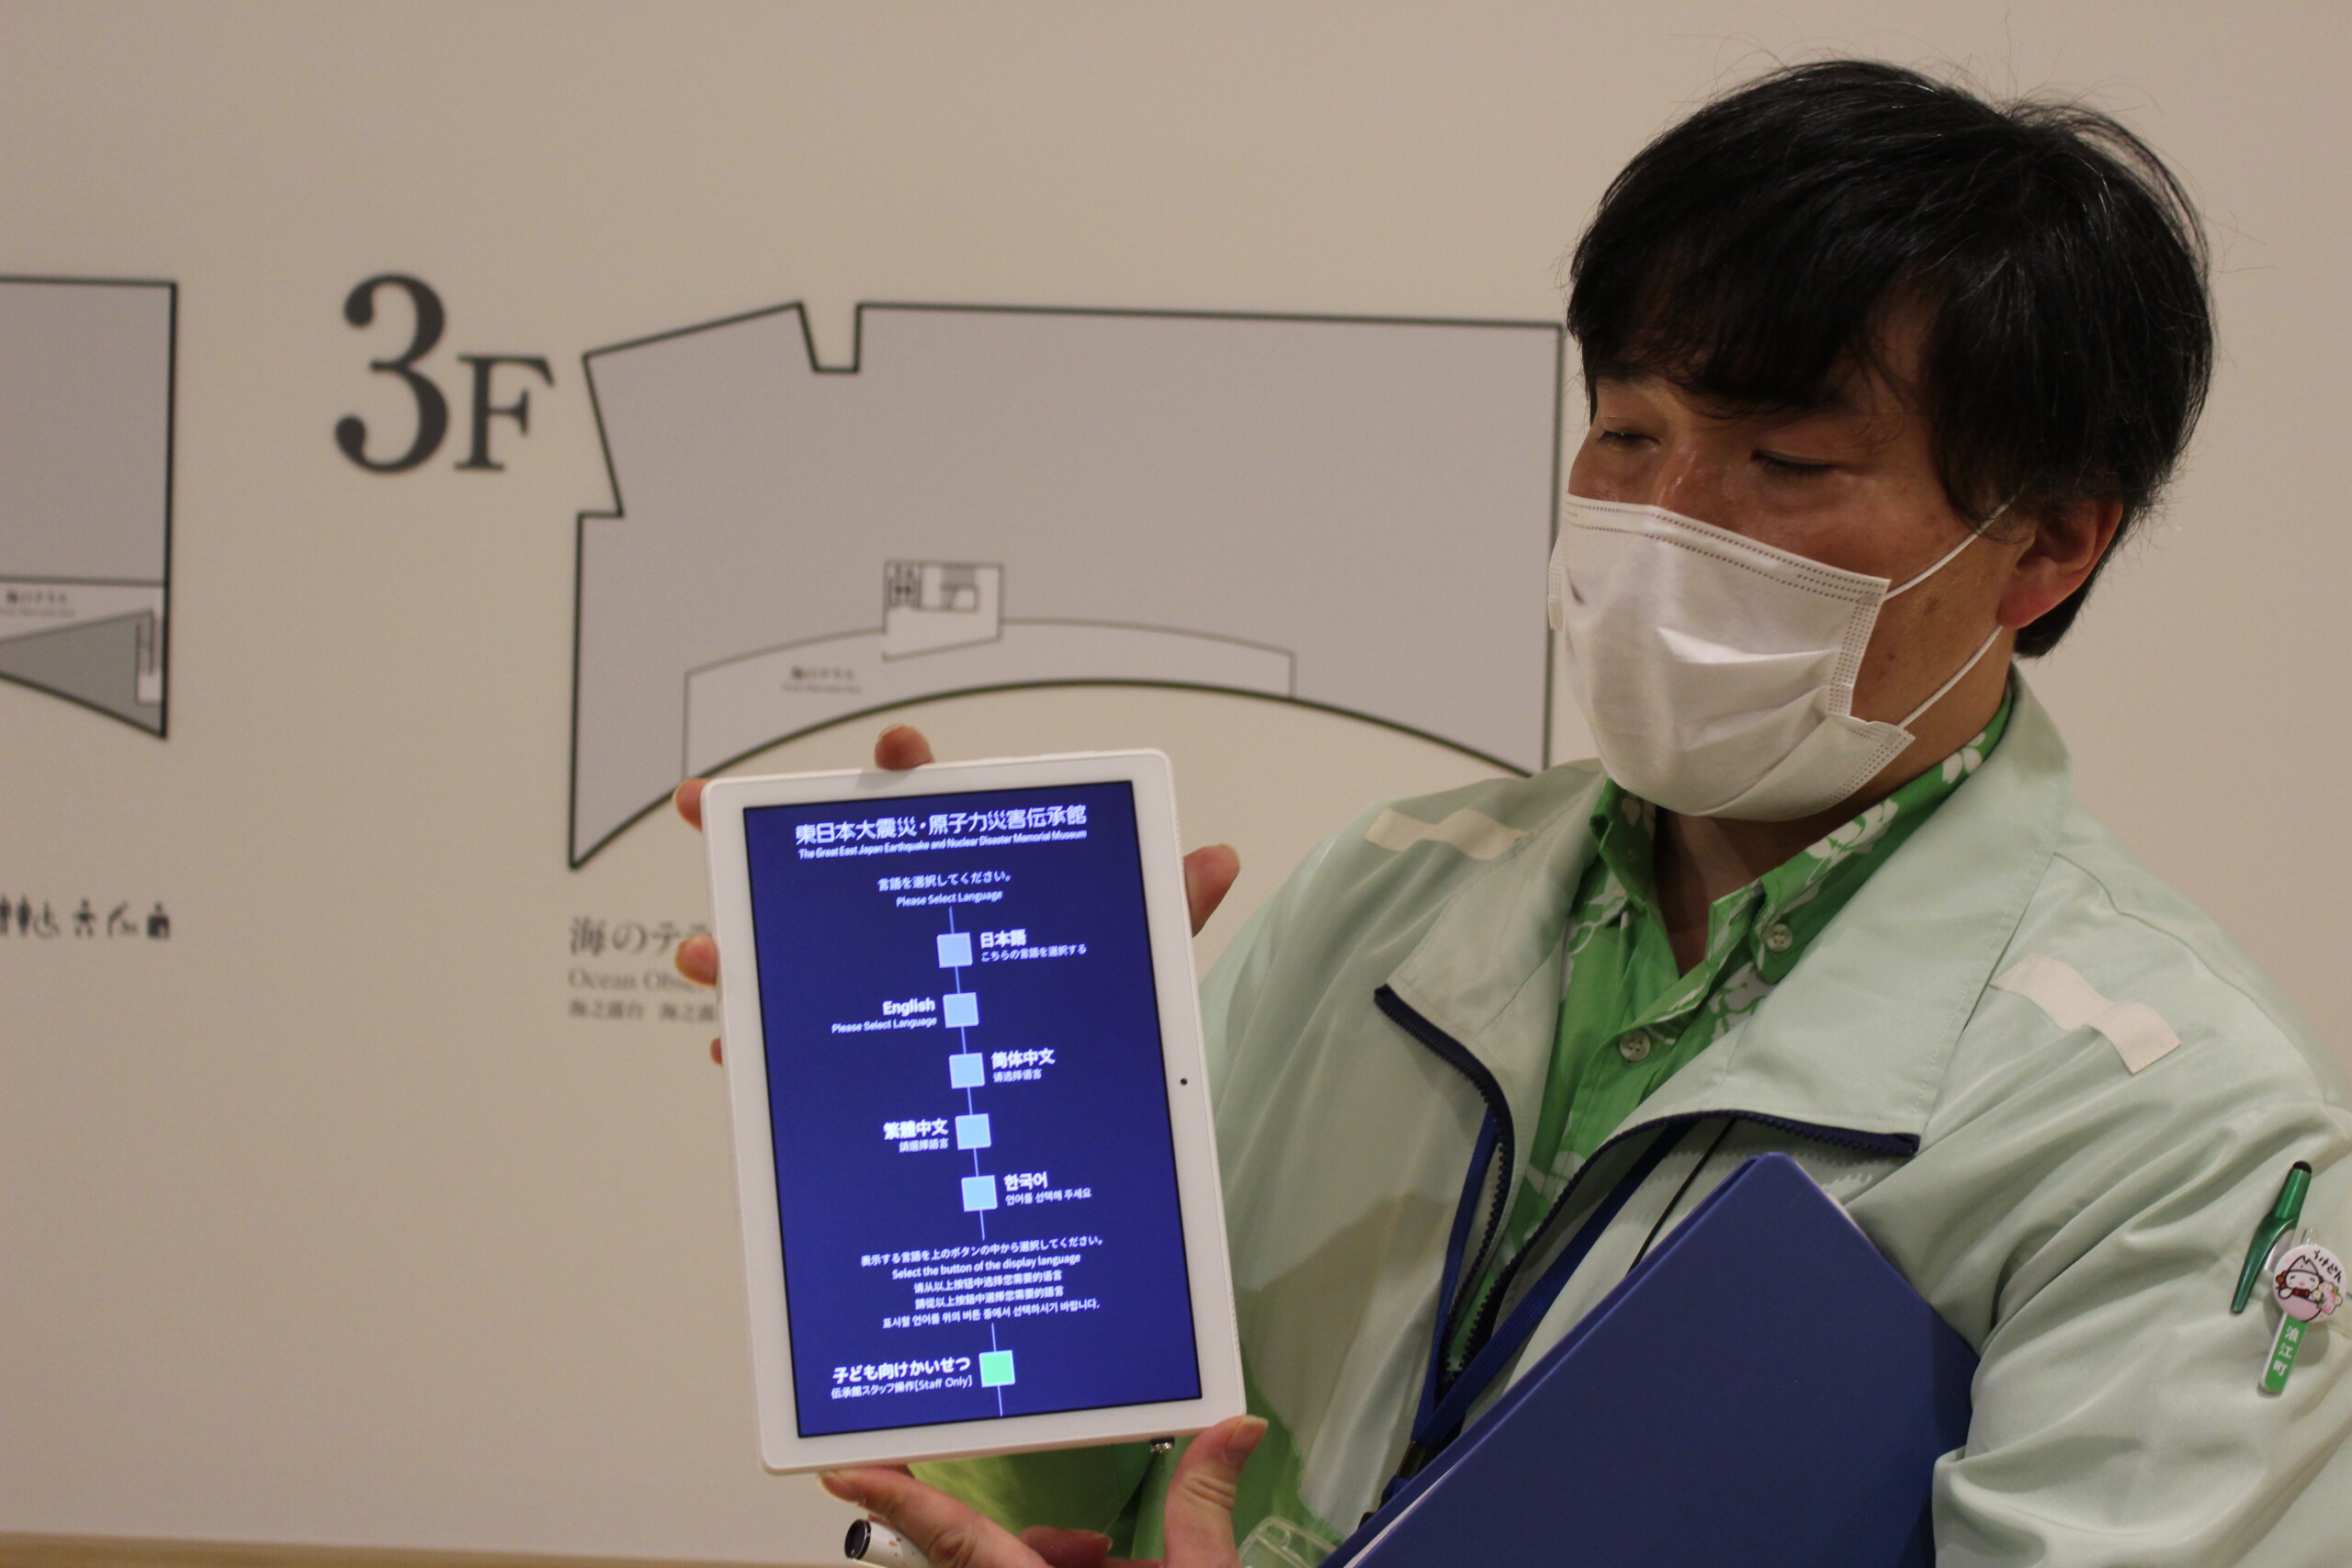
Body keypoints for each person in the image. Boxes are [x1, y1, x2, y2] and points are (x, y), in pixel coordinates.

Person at [677, 60, 2352, 1568]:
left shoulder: (2177, 1127)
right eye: (1626, 433)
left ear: (2047, 544)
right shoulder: (1382, 891)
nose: (1665, 521)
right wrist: (1009, 1150)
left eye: (1787, 465)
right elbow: (1092, 1463)